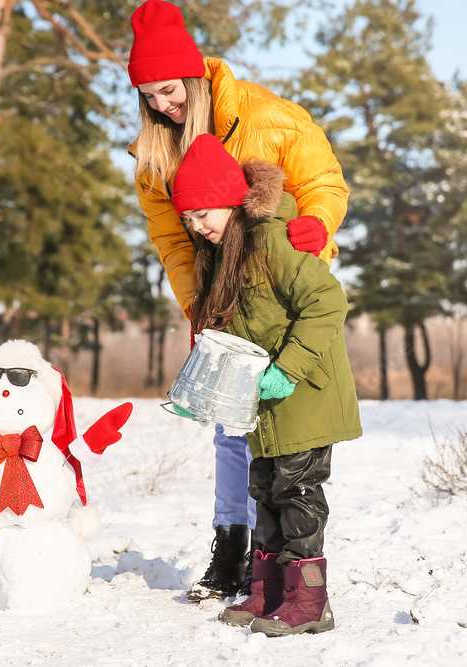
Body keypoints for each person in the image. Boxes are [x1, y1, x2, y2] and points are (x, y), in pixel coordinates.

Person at [127, 0, 351, 601]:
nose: (161, 106)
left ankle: (286, 569)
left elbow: (323, 183)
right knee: (230, 425)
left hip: (279, 286)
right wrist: (195, 308)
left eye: (169, 91)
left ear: (194, 76)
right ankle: (234, 546)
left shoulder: (268, 116)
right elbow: (172, 239)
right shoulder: (155, 152)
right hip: (218, 294)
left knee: (282, 435)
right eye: (148, 96)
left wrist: (320, 227)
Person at [170, 133, 362, 636]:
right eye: (188, 218)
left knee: (298, 495)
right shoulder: (223, 257)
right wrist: (204, 389)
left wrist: (287, 370)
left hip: (304, 395)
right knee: (265, 491)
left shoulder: (272, 241)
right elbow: (228, 335)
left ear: (231, 202)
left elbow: (327, 304)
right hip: (262, 405)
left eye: (203, 213)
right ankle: (269, 589)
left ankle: (310, 601)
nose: (197, 226)